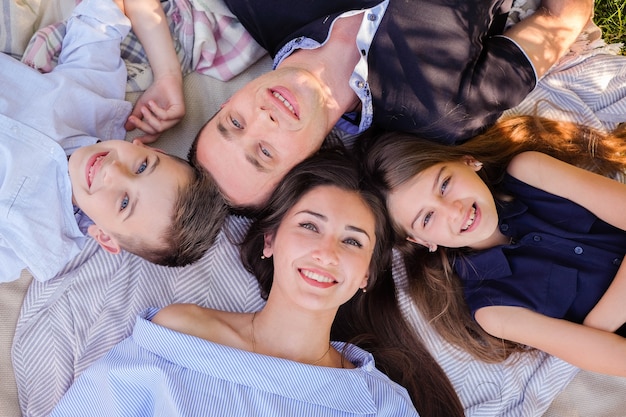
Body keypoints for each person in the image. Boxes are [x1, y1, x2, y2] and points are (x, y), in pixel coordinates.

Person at [48, 150, 464, 417]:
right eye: (309, 226)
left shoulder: (381, 404)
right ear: (270, 240)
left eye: (353, 240)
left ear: (366, 276)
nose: (327, 252)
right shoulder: (180, 331)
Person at [172, 0, 593, 209]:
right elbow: (562, 19)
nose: (261, 119)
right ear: (308, 166)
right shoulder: (443, 111)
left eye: (235, 123)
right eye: (264, 152)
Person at [361, 115, 626, 375]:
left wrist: (596, 326)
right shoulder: (493, 309)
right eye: (428, 218)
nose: (454, 210)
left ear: (468, 161)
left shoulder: (529, 171)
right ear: (421, 241)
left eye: (444, 184)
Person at [0, 0, 226, 283]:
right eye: (142, 167)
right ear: (144, 147)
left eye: (123, 203)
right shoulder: (95, 99)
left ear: (104, 237)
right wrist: (168, 75)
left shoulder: (33, 241)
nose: (112, 171)